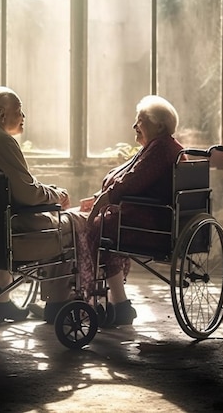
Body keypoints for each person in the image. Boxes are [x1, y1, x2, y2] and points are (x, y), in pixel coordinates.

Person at [0, 86, 80, 325]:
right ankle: (57, 302)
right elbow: (28, 194)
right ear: (2, 115)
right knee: (70, 226)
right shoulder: (1, 141)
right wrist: (57, 194)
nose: (24, 117)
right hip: (14, 230)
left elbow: (12, 189)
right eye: (20, 111)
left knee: (12, 215)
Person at [79, 95, 185, 325]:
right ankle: (115, 302)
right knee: (100, 223)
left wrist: (104, 200)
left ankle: (110, 301)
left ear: (158, 125)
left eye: (141, 120)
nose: (135, 126)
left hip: (155, 221)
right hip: (145, 214)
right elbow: (128, 179)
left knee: (99, 227)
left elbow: (133, 181)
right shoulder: (156, 146)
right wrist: (99, 198)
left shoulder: (162, 148)